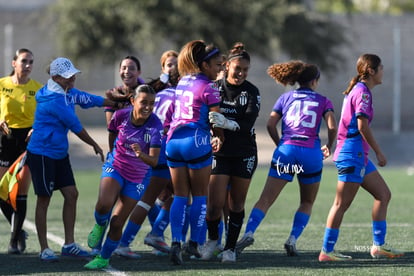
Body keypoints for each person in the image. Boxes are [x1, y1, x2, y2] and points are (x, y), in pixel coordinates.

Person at [236, 60, 337, 257]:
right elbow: (332, 127)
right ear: (315, 82)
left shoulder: (286, 98)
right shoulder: (323, 101)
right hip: (311, 155)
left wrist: (280, 145)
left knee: (265, 199)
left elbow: (271, 125)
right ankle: (292, 239)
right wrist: (329, 146)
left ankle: (249, 232)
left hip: (287, 151)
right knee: (307, 201)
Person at [26, 57, 116, 262]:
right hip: (41, 153)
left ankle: (68, 245)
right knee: (44, 199)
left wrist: (115, 103)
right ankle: (44, 249)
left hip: (58, 152)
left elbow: (87, 99)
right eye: (68, 77)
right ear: (56, 78)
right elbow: (75, 126)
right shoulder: (54, 100)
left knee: (71, 194)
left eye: (73, 74)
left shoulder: (66, 92)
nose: (73, 78)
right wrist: (94, 144)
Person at [319, 53, 404, 261]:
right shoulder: (363, 93)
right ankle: (326, 251)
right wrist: (378, 151)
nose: (383, 71)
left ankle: (378, 245)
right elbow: (361, 125)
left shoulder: (360, 90)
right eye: (381, 67)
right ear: (372, 71)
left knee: (383, 194)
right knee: (341, 204)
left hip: (358, 155)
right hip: (352, 154)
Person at [166, 40, 238, 265]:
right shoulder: (209, 87)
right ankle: (194, 244)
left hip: (173, 142)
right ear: (204, 65)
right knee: (199, 197)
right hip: (196, 142)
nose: (221, 69)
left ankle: (176, 242)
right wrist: (222, 135)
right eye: (217, 65)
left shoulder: (182, 82)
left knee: (179, 196)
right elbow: (215, 120)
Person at [84, 84, 163, 270]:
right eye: (144, 102)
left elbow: (153, 161)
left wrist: (140, 155)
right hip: (116, 166)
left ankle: (103, 258)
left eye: (152, 103)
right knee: (104, 204)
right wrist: (114, 155)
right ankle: (99, 225)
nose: (148, 107)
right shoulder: (120, 116)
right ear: (133, 101)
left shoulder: (155, 125)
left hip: (138, 177)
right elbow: (112, 135)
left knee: (118, 222)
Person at [201, 42, 260, 263]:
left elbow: (248, 122)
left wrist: (227, 123)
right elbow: (205, 117)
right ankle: (213, 240)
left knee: (236, 204)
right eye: (238, 69)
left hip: (244, 153)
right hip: (220, 153)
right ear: (226, 66)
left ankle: (230, 248)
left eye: (246, 70)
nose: (242, 73)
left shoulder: (252, 91)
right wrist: (213, 131)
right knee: (214, 204)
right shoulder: (213, 88)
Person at [112, 66, 180, 259]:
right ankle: (132, 240)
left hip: (155, 149)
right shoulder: (182, 95)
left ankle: (153, 234)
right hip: (167, 150)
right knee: (179, 196)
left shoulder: (161, 93)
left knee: (167, 196)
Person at [0, 48, 42, 254]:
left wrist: (37, 128)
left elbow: (45, 116)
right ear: (13, 63)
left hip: (28, 141)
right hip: (5, 140)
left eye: (31, 62)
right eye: (24, 61)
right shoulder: (2, 85)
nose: (28, 65)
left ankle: (14, 239)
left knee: (20, 193)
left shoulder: (38, 89)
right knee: (2, 190)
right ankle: (20, 232)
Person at [104, 56, 144, 126]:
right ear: (119, 70)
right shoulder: (113, 94)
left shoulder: (146, 93)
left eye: (131, 68)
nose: (127, 71)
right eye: (124, 68)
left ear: (139, 72)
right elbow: (110, 125)